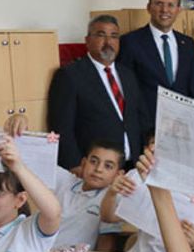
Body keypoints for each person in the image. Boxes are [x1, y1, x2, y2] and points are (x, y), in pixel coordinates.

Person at [47, 15, 147, 168]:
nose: (108, 42)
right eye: (101, 35)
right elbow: (61, 128)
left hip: (132, 166)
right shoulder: (70, 75)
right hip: (94, 169)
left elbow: (140, 118)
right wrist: (75, 166)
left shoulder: (127, 74)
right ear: (87, 40)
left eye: (114, 36)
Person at [118, 0, 194, 129]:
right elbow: (126, 90)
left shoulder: (188, 44)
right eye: (159, 4)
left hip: (181, 125)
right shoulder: (130, 42)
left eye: (170, 5)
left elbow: (191, 88)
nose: (164, 10)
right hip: (146, 126)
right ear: (149, 7)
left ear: (178, 9)